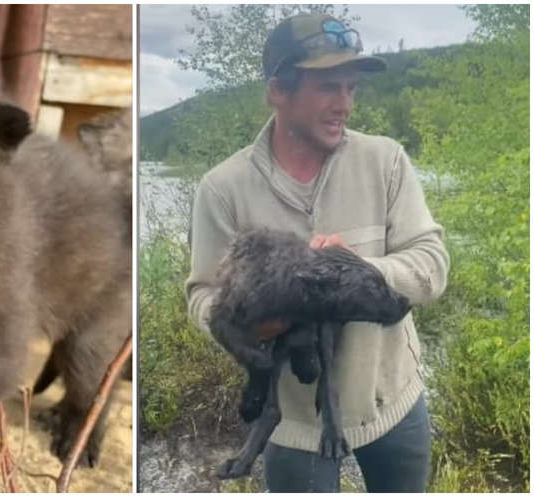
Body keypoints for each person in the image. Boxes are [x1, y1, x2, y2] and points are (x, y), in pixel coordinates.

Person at [185, 13, 450, 493]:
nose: (344, 104)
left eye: (351, 88)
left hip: (394, 404)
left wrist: (353, 274)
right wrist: (251, 324)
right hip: (295, 429)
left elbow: (432, 267)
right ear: (278, 91)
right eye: (329, 87)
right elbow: (203, 296)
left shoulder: (385, 160)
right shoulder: (223, 189)